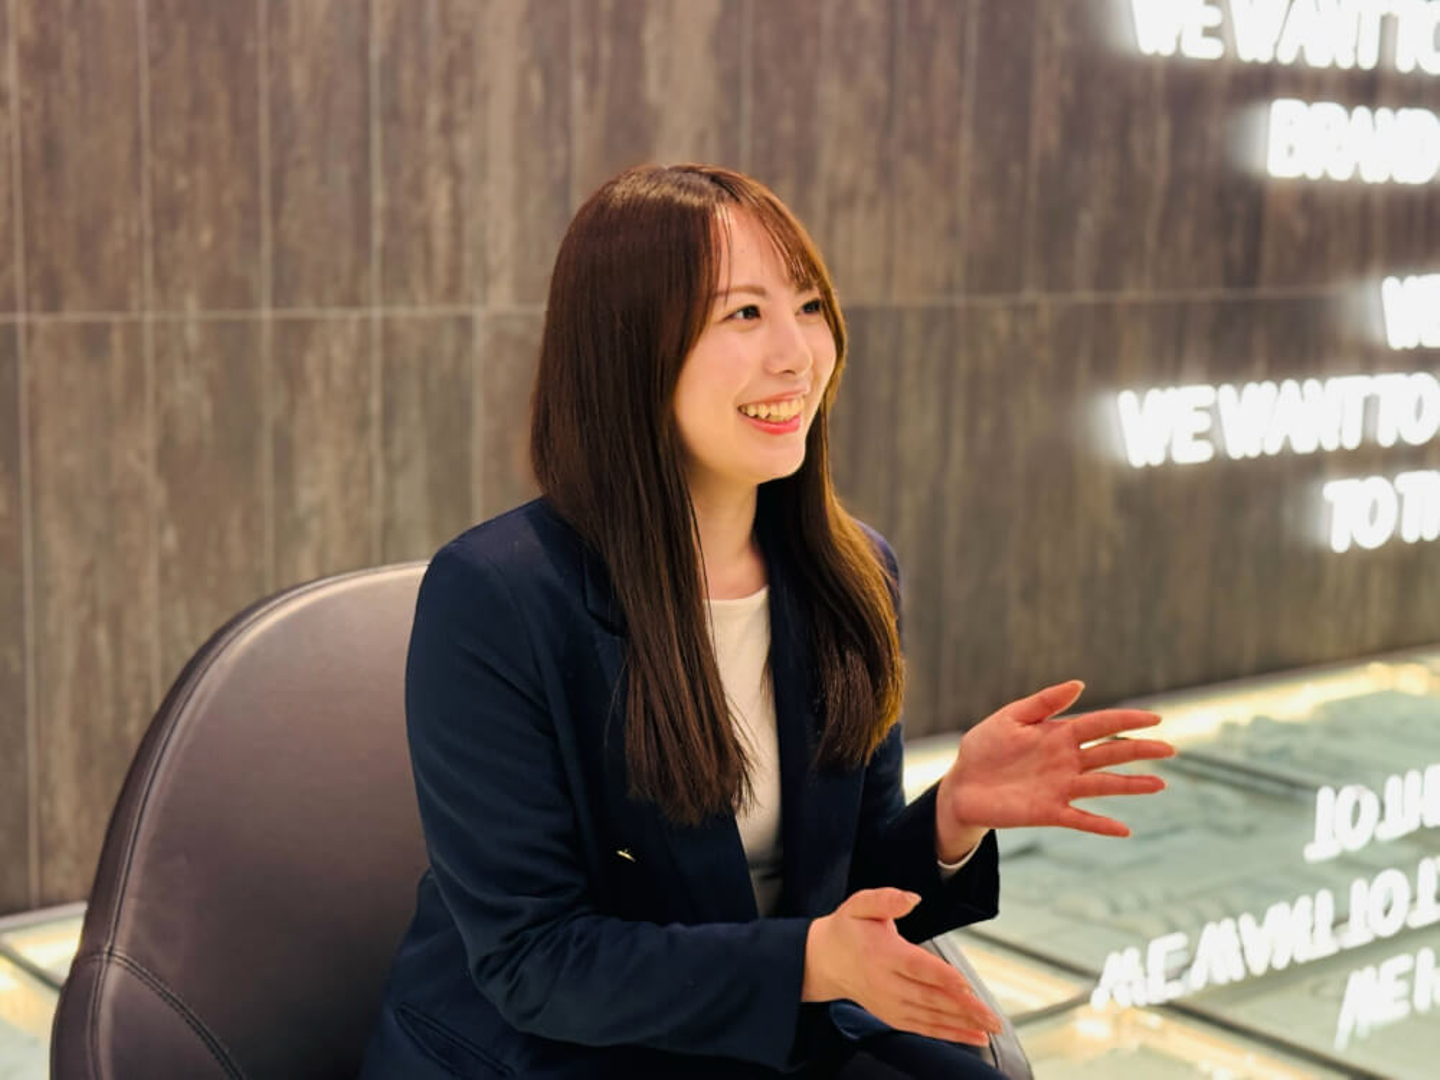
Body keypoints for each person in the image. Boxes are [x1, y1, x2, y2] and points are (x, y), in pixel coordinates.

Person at [357, 163, 1174, 1079]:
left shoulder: (851, 574)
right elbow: (534, 961)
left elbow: (845, 896)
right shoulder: (495, 596)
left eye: (810, 306)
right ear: (628, 346)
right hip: (552, 1054)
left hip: (770, 1037)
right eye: (744, 314)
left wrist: (949, 819)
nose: (797, 355)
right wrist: (810, 962)